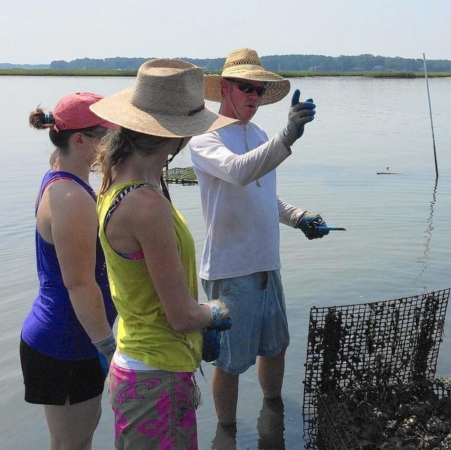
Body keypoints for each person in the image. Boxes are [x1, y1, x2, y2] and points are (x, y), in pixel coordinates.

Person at [90, 59, 232, 449]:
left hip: (139, 366)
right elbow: (181, 314)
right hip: (157, 381)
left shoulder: (117, 179)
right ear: (178, 138)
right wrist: (216, 312)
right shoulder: (146, 203)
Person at [188, 47, 328, 426]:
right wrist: (287, 137)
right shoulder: (206, 138)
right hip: (230, 268)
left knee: (276, 346)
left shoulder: (262, 133)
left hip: (268, 263)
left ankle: (273, 413)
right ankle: (228, 433)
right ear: (225, 89)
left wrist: (299, 218)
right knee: (230, 362)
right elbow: (239, 172)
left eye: (258, 90)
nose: (253, 96)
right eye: (245, 88)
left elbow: (263, 192)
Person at [19, 92, 118, 450]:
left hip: (66, 341)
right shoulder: (70, 198)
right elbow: (79, 284)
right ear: (80, 140)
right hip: (68, 344)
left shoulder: (62, 174)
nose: (114, 144)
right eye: (106, 137)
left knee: (73, 443)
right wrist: (109, 347)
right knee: (72, 445)